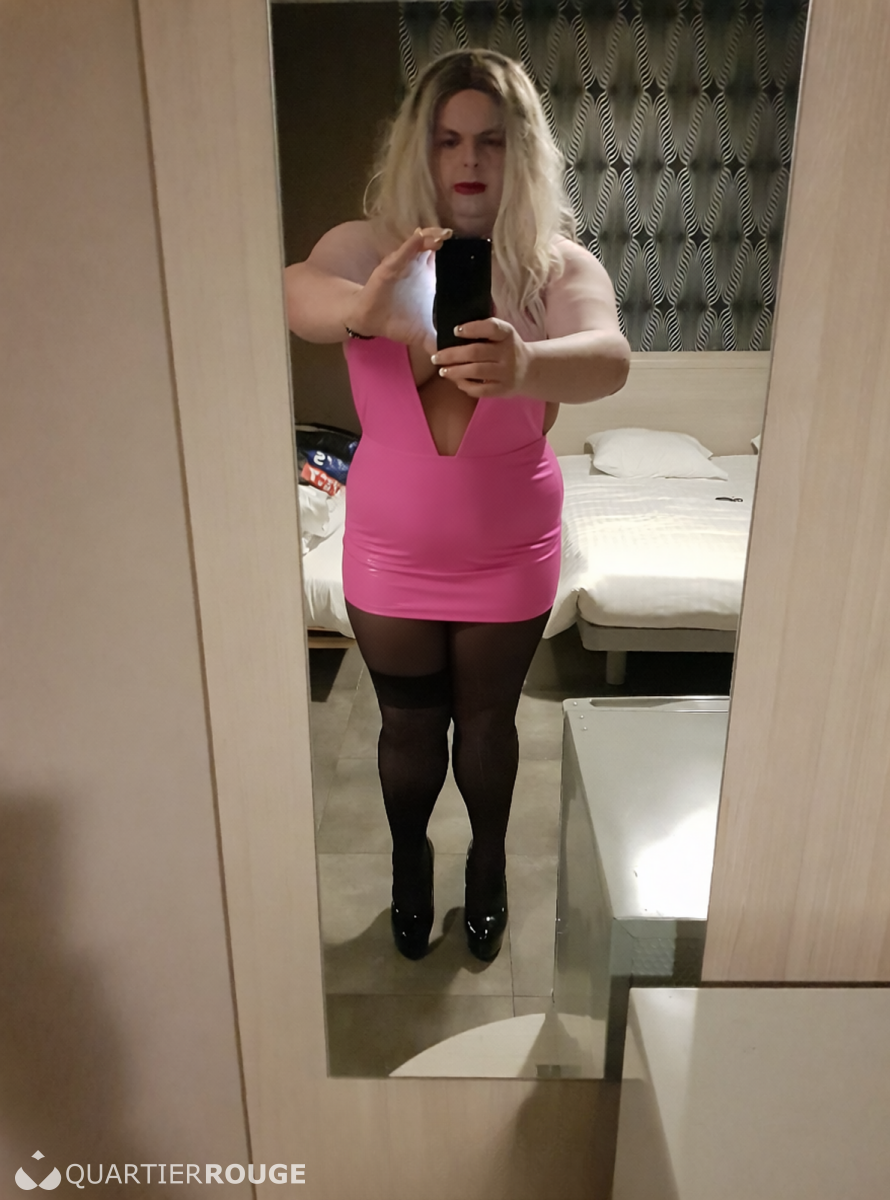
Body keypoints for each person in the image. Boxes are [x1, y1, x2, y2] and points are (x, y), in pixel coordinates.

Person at [285, 49, 630, 963]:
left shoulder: (553, 265)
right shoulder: (368, 248)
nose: (469, 159)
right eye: (447, 139)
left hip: (508, 546)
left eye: (491, 139)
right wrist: (368, 306)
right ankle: (410, 863)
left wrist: (527, 364)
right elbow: (297, 294)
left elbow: (609, 357)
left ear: (523, 151)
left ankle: (487, 863)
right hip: (389, 544)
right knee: (406, 725)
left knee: (486, 724)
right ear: (420, 148)